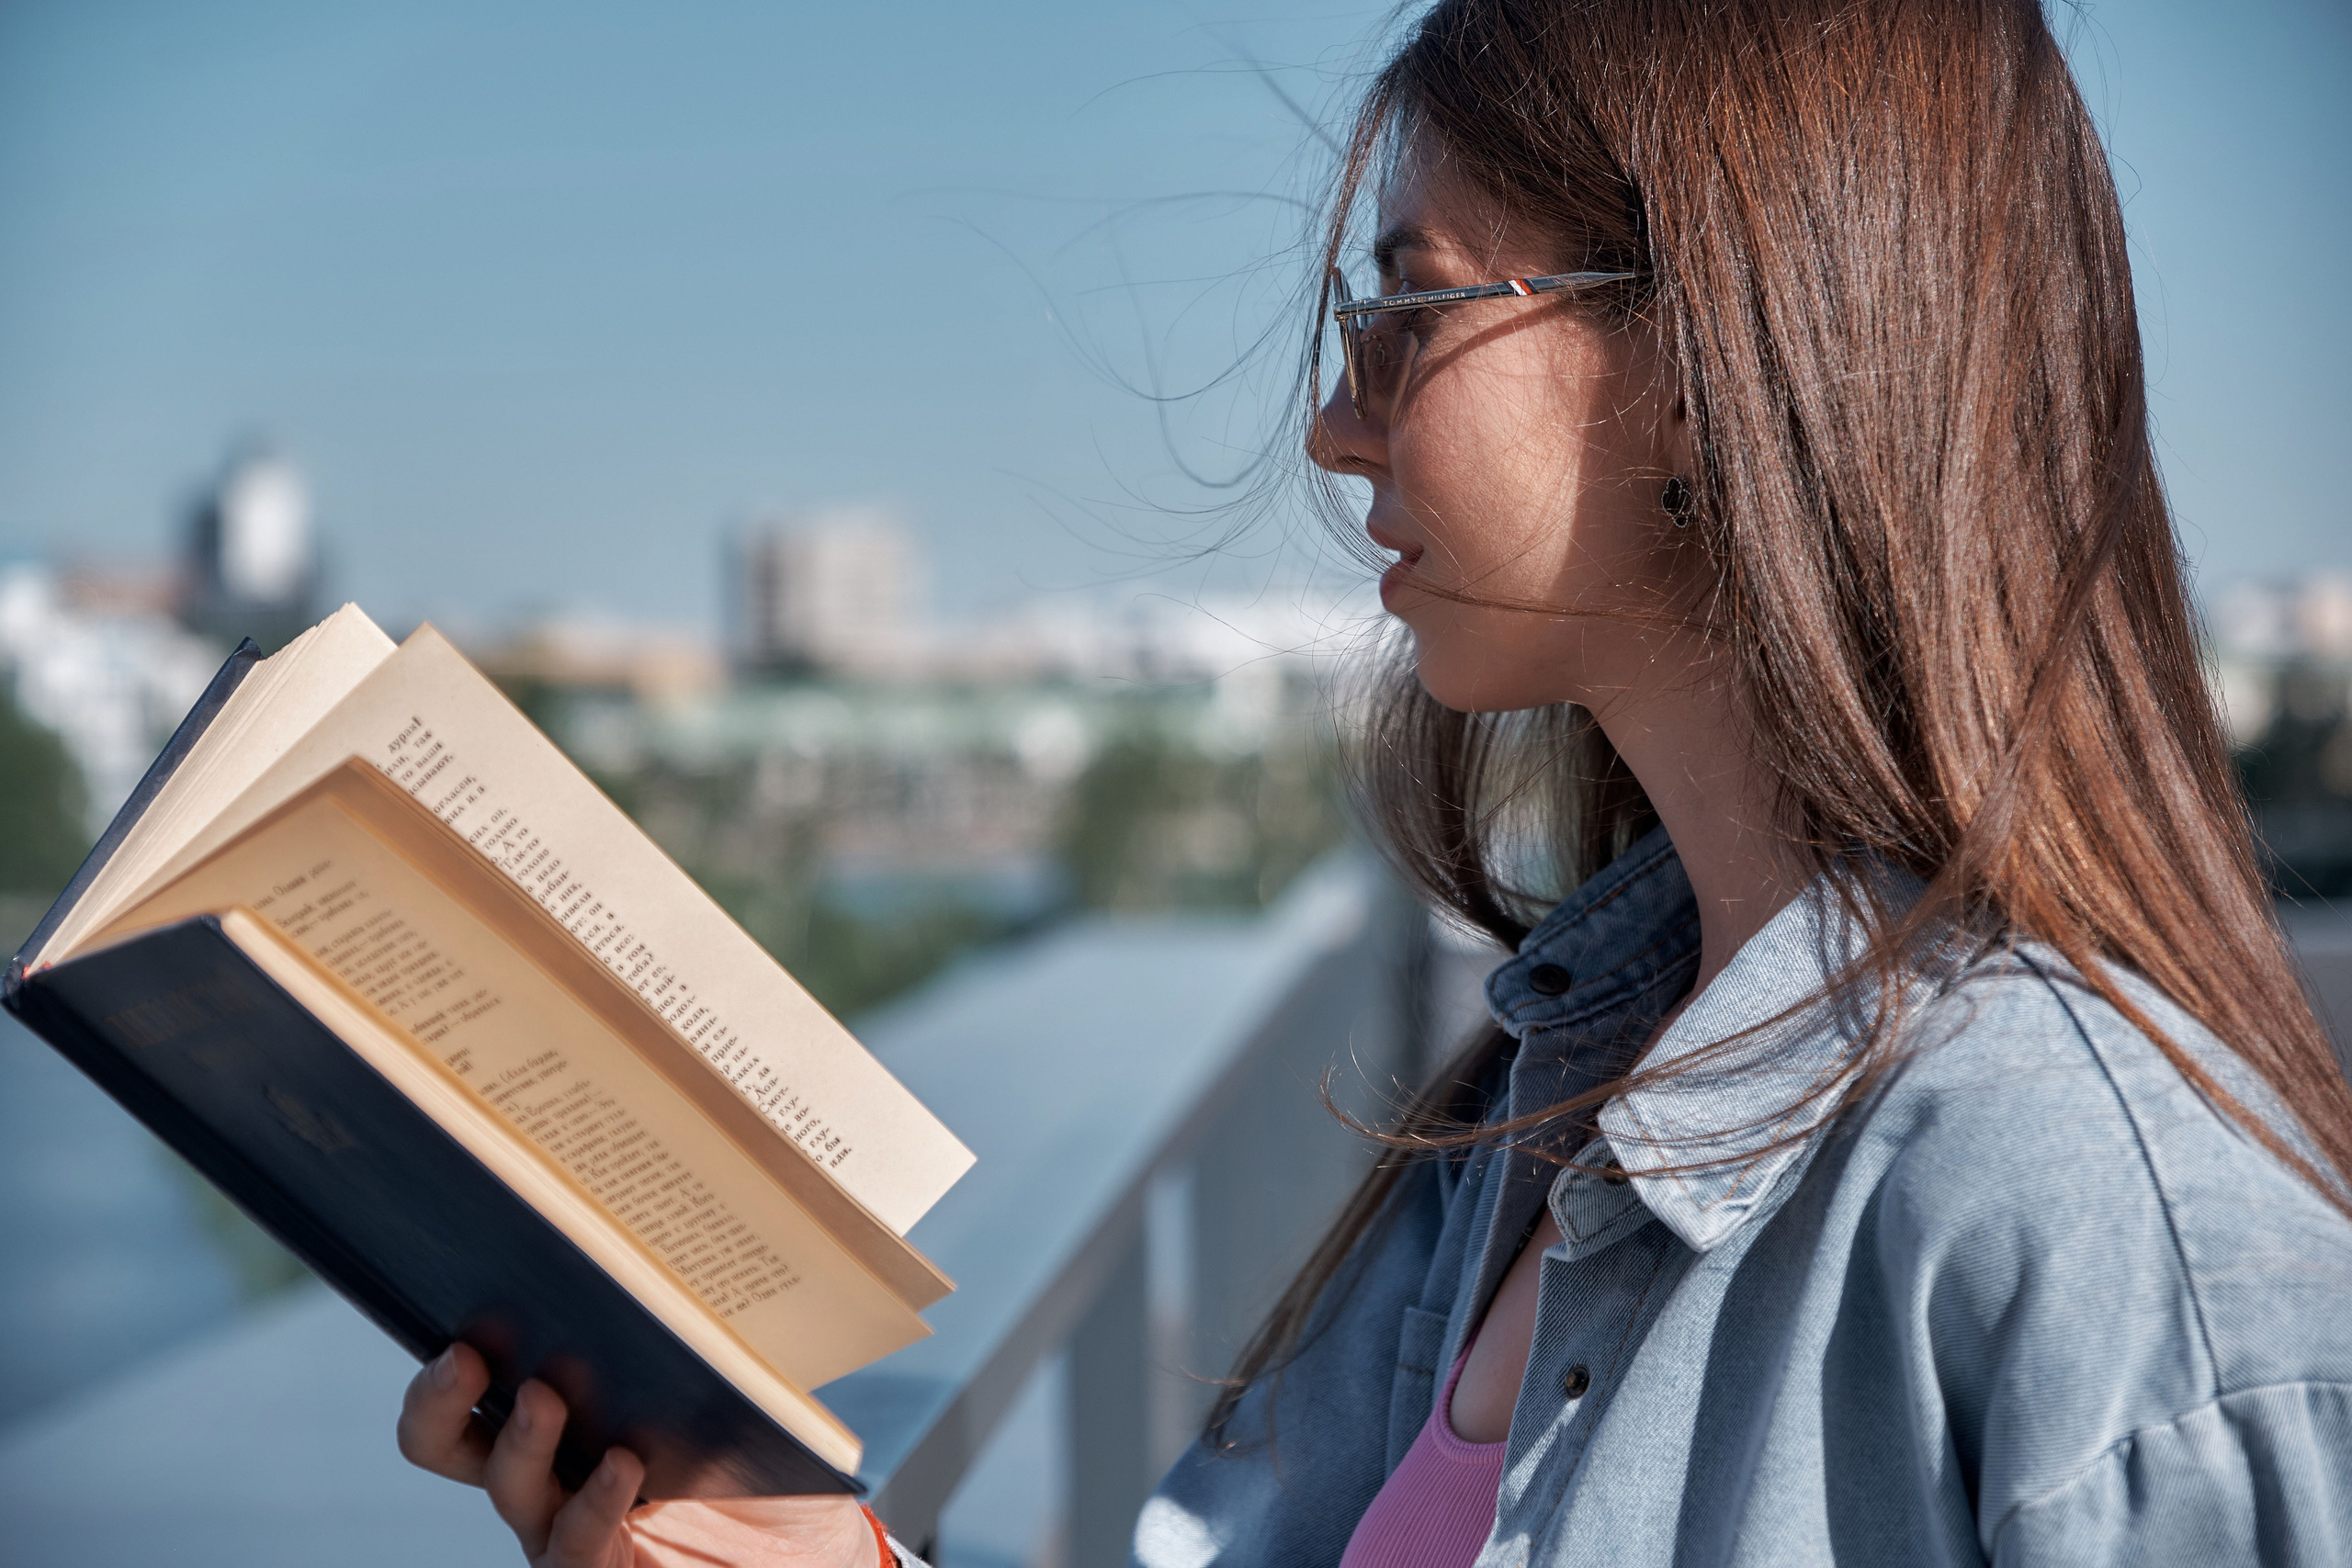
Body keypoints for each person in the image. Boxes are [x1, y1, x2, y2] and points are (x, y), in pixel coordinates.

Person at [397, 1, 2352, 1563]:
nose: (1337, 426)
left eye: (1408, 311)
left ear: (1706, 351)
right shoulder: (1557, 1096)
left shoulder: (2104, 1231)